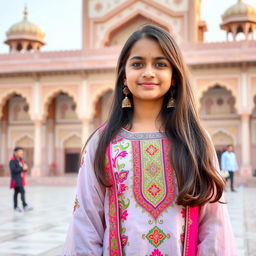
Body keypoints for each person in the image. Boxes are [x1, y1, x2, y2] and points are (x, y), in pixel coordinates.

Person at [62, 25, 237, 256]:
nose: (148, 72)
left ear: (174, 76)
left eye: (160, 64)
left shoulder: (194, 139)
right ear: (124, 75)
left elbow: (214, 225)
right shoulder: (102, 142)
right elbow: (86, 220)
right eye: (137, 64)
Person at [9, 146, 33, 212]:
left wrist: (25, 168)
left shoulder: (20, 161)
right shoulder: (12, 161)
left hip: (20, 179)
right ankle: (24, 206)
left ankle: (16, 207)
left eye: (22, 152)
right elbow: (14, 170)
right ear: (15, 152)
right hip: (16, 180)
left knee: (16, 193)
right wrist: (22, 168)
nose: (21, 153)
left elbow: (23, 170)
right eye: (20, 152)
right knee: (22, 191)